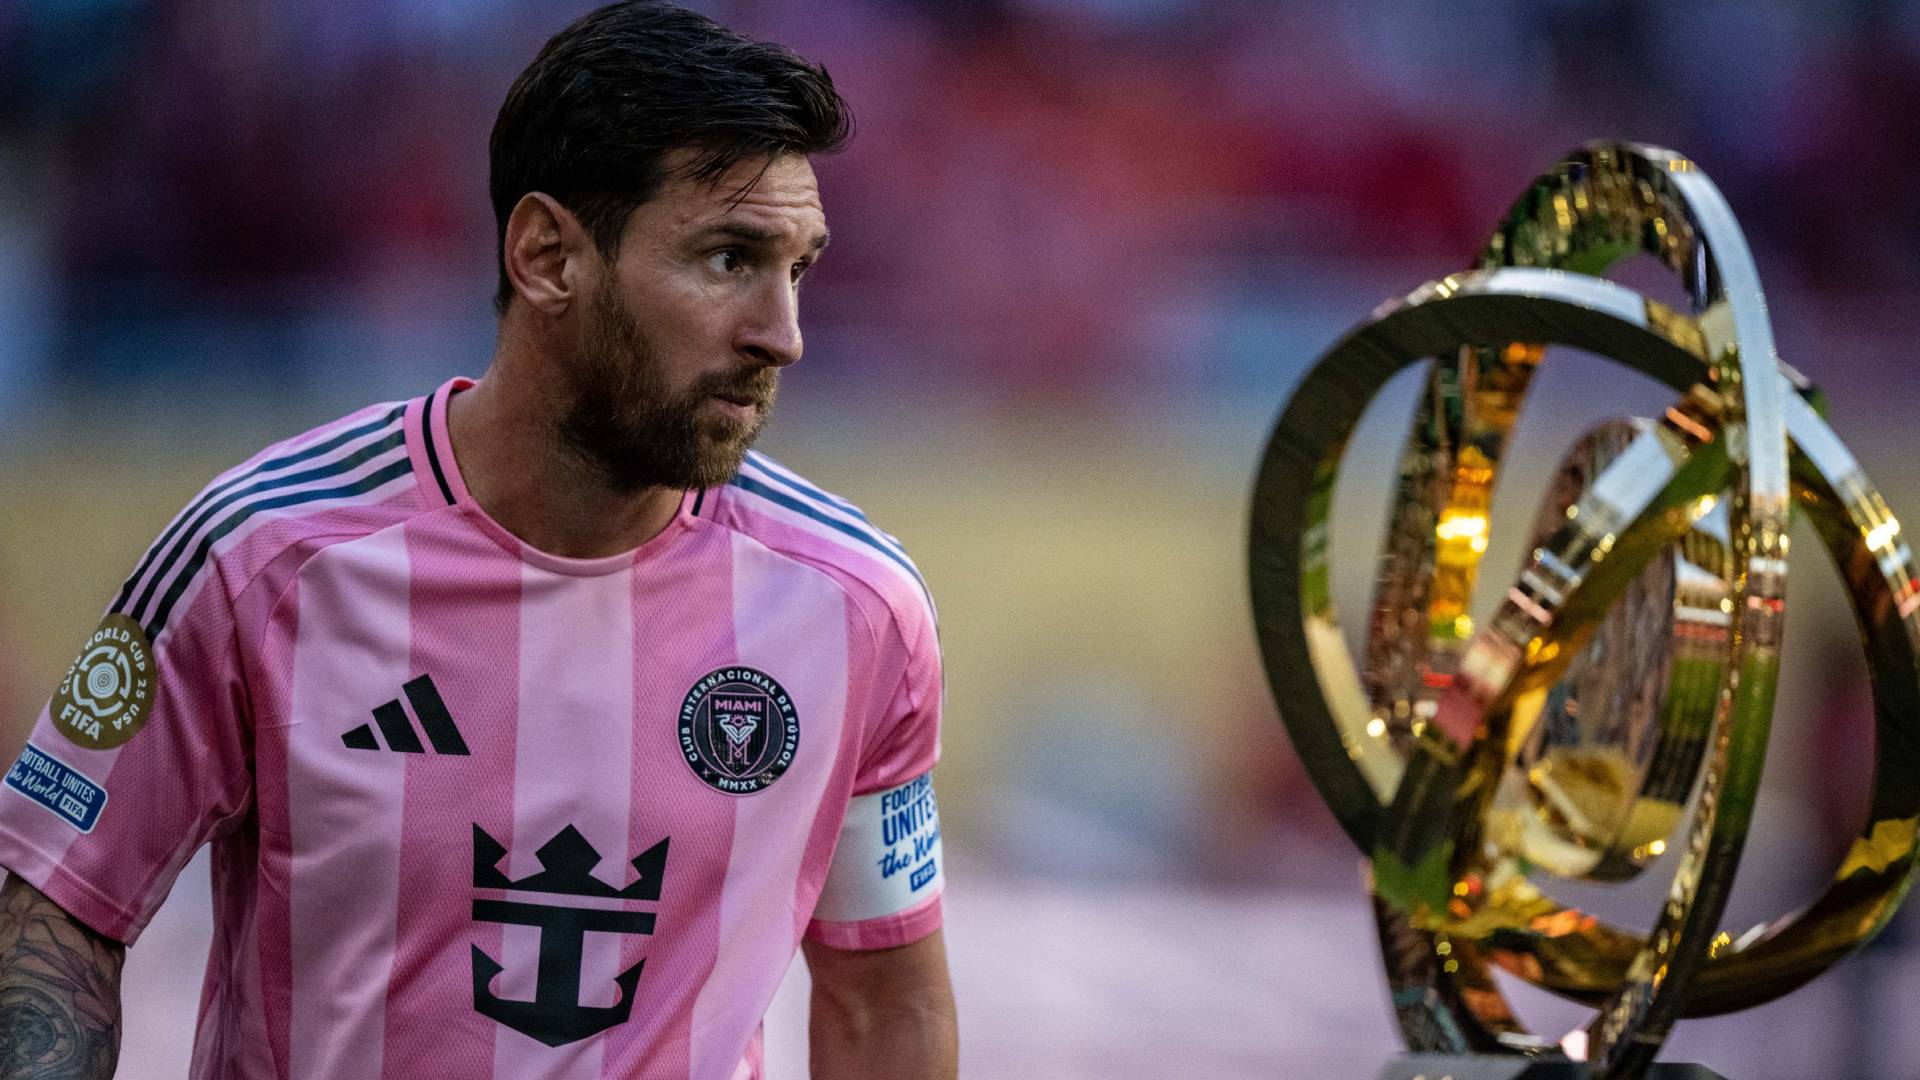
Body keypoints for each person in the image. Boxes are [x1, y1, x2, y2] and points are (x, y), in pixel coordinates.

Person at [0, 3, 956, 1077]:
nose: (782, 332)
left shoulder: (856, 608)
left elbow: (884, 1001)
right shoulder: (259, 559)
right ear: (548, 255)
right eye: (731, 259)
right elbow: (57, 910)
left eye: (799, 269)